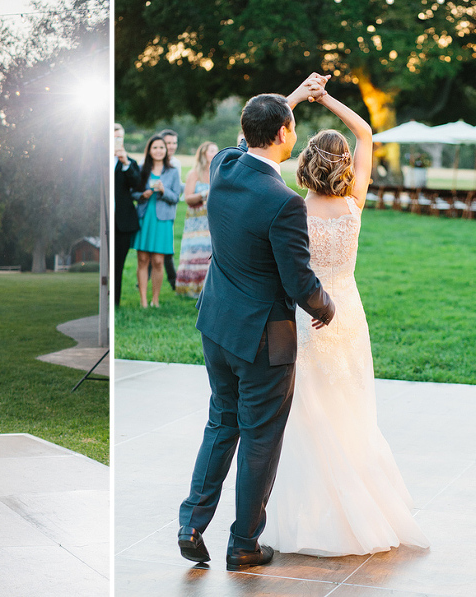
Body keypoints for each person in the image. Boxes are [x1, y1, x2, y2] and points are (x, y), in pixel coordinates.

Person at [178, 74, 337, 571]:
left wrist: (284, 100)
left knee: (221, 422)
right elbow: (300, 283)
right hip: (264, 340)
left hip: (217, 325)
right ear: (287, 133)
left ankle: (190, 523)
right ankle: (243, 543)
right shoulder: (284, 202)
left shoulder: (222, 168)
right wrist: (327, 308)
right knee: (261, 438)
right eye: (290, 125)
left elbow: (251, 134)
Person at [261, 89, 430, 556]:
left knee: (308, 412)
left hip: (308, 313)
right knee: (351, 407)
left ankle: (312, 514)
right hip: (349, 315)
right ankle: (359, 504)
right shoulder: (355, 203)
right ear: (343, 165)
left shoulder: (293, 207)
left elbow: (255, 144)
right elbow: (365, 131)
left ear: (308, 163)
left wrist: (297, 98)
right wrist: (330, 98)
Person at [131, 136, 182, 307]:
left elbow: (176, 197)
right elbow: (133, 193)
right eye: (155, 147)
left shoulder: (173, 171)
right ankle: (143, 301)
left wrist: (163, 190)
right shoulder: (140, 169)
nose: (159, 150)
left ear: (166, 150)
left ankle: (155, 300)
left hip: (163, 220)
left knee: (158, 261)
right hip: (145, 217)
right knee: (143, 259)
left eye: (161, 147)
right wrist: (142, 195)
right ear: (149, 150)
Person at [175, 142, 218, 298]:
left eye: (216, 150)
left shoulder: (218, 172)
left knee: (210, 254)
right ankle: (192, 290)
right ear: (203, 154)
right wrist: (205, 194)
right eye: (211, 150)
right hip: (196, 221)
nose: (215, 153)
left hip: (213, 220)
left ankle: (209, 290)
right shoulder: (194, 173)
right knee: (195, 252)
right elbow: (187, 198)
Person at [113, 123, 143, 307]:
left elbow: (137, 185)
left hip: (122, 223)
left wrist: (125, 164)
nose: (117, 141)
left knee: (118, 265)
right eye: (113, 137)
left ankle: (115, 303)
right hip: (105, 223)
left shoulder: (129, 163)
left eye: (119, 137)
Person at [155, 129, 183, 290]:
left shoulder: (176, 164)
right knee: (155, 246)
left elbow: (177, 187)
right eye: (168, 143)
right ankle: (173, 281)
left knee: (165, 247)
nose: (171, 146)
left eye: (174, 143)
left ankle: (173, 281)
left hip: (169, 210)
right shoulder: (154, 164)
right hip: (156, 209)